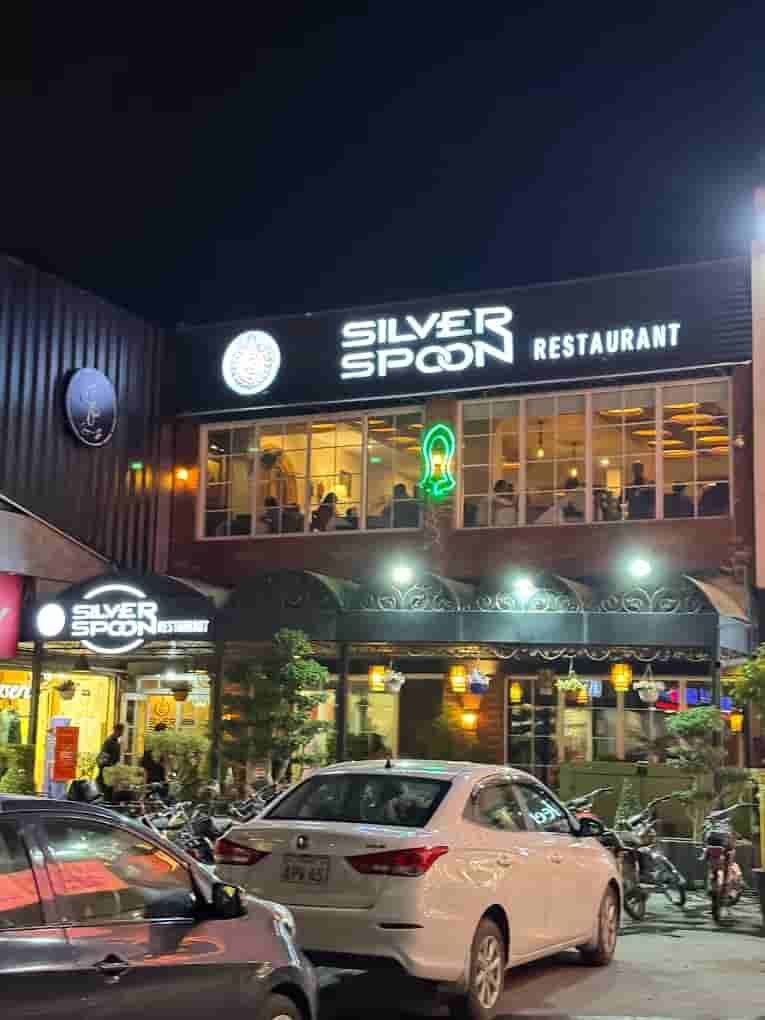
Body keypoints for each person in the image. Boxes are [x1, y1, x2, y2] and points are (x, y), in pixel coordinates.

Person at [96, 722, 124, 800]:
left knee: (109, 792)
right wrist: (108, 766)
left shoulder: (115, 741)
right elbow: (103, 756)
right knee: (106, 792)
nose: (122, 733)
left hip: (110, 771)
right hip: (107, 771)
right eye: (121, 731)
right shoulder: (110, 741)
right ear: (117, 730)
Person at [140, 722, 169, 796]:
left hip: (156, 776)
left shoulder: (160, 746)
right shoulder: (152, 747)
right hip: (154, 776)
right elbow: (146, 765)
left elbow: (145, 764)